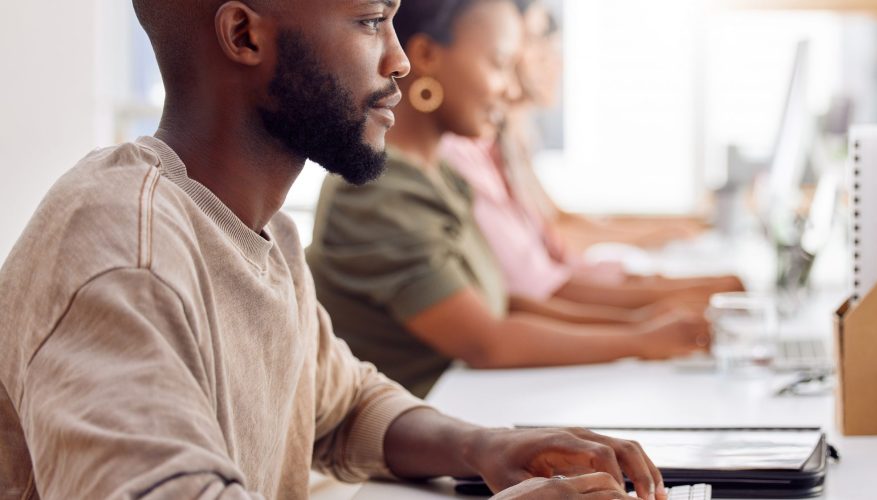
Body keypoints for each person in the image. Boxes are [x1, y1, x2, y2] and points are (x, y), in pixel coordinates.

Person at [0, 0, 668, 498]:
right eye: (372, 20)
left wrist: (487, 446)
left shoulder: (265, 235)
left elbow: (345, 402)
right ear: (243, 35)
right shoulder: (121, 244)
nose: (400, 59)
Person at [306, 0, 711, 399]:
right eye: (499, 65)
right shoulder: (381, 188)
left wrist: (640, 322)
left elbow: (502, 303)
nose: (512, 88)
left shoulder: (440, 173)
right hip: (400, 442)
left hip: (462, 410)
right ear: (427, 55)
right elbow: (488, 342)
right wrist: (639, 339)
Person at [439, 0, 744, 309]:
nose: (552, 59)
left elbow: (554, 238)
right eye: (535, 40)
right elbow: (549, 260)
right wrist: (667, 305)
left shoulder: (503, 141)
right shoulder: (461, 150)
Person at [493, 0, 709, 256]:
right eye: (536, 41)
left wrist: (667, 226)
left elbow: (557, 218)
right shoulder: (485, 141)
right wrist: (652, 236)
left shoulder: (516, 135)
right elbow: (554, 235)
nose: (553, 61)